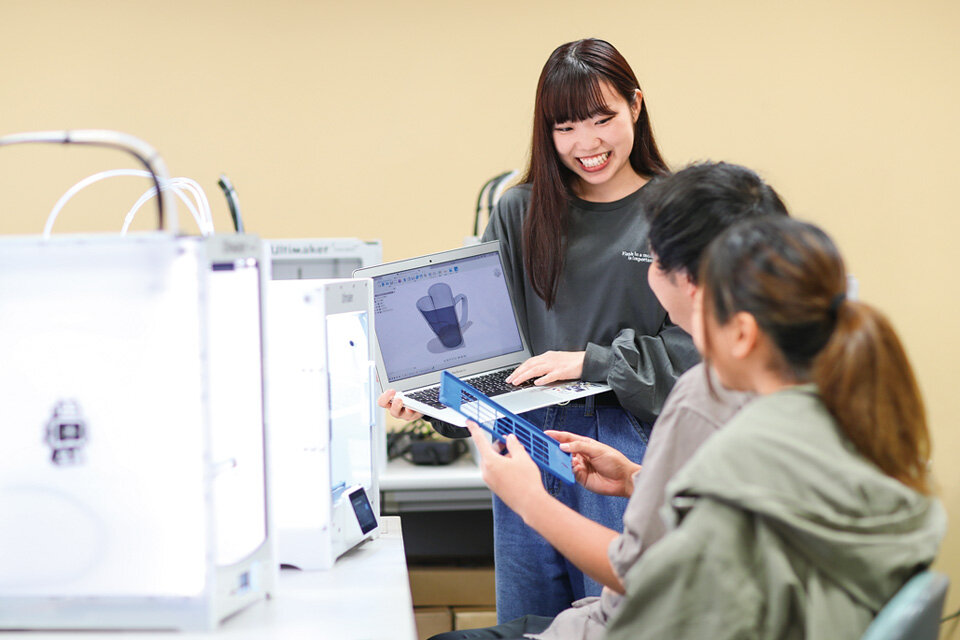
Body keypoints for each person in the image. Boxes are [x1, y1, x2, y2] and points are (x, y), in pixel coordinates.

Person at [381, 38, 699, 621]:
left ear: (636, 105)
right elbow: (483, 348)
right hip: (522, 436)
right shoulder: (519, 210)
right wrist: (430, 395)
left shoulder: (677, 212)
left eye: (603, 119)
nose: (587, 143)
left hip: (620, 446)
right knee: (529, 624)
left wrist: (591, 361)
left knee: (620, 620)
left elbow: (698, 354)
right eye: (566, 126)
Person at [426, 161, 790, 640]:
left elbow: (648, 579)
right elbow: (720, 526)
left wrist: (531, 501)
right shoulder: (781, 383)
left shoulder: (705, 400)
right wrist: (636, 480)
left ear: (692, 281)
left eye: (655, 259)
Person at [601, 217, 945, 638]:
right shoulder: (866, 427)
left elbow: (650, 620)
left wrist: (529, 499)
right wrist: (638, 477)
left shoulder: (734, 467)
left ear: (742, 333)